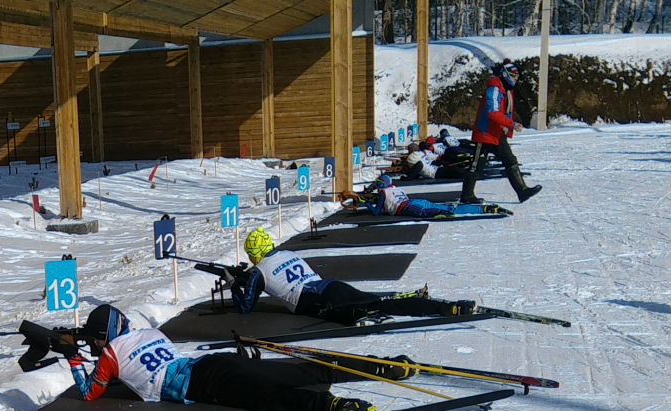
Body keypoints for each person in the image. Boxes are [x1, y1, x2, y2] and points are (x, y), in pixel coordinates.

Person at [67, 303, 405, 411]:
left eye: (96, 339)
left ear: (104, 335)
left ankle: (331, 406)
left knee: (266, 397)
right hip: (214, 363)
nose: (95, 345)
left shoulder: (109, 355)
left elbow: (89, 393)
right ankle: (380, 365)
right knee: (296, 371)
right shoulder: (151, 333)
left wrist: (72, 359)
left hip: (203, 383)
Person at [231, 227, 476, 323]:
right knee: (378, 301)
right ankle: (448, 307)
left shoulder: (257, 272)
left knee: (368, 308)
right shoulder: (287, 253)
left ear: (253, 254)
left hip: (313, 300)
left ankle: (442, 308)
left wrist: (234, 285)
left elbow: (245, 307)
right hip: (327, 286)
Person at [460, 60, 542, 205]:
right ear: (505, 75)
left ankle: (522, 190)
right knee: (476, 165)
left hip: (496, 134)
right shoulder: (494, 89)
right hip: (485, 134)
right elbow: (493, 112)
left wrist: (508, 128)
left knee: (510, 160)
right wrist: (512, 124)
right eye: (512, 76)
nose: (514, 80)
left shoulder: (505, 90)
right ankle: (466, 196)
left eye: (516, 77)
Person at [340, 175, 509, 220]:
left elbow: (376, 212)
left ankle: (482, 209)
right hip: (412, 201)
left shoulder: (383, 193)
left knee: (434, 212)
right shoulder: (395, 189)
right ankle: (483, 208)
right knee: (449, 208)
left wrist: (365, 203)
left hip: (407, 207)